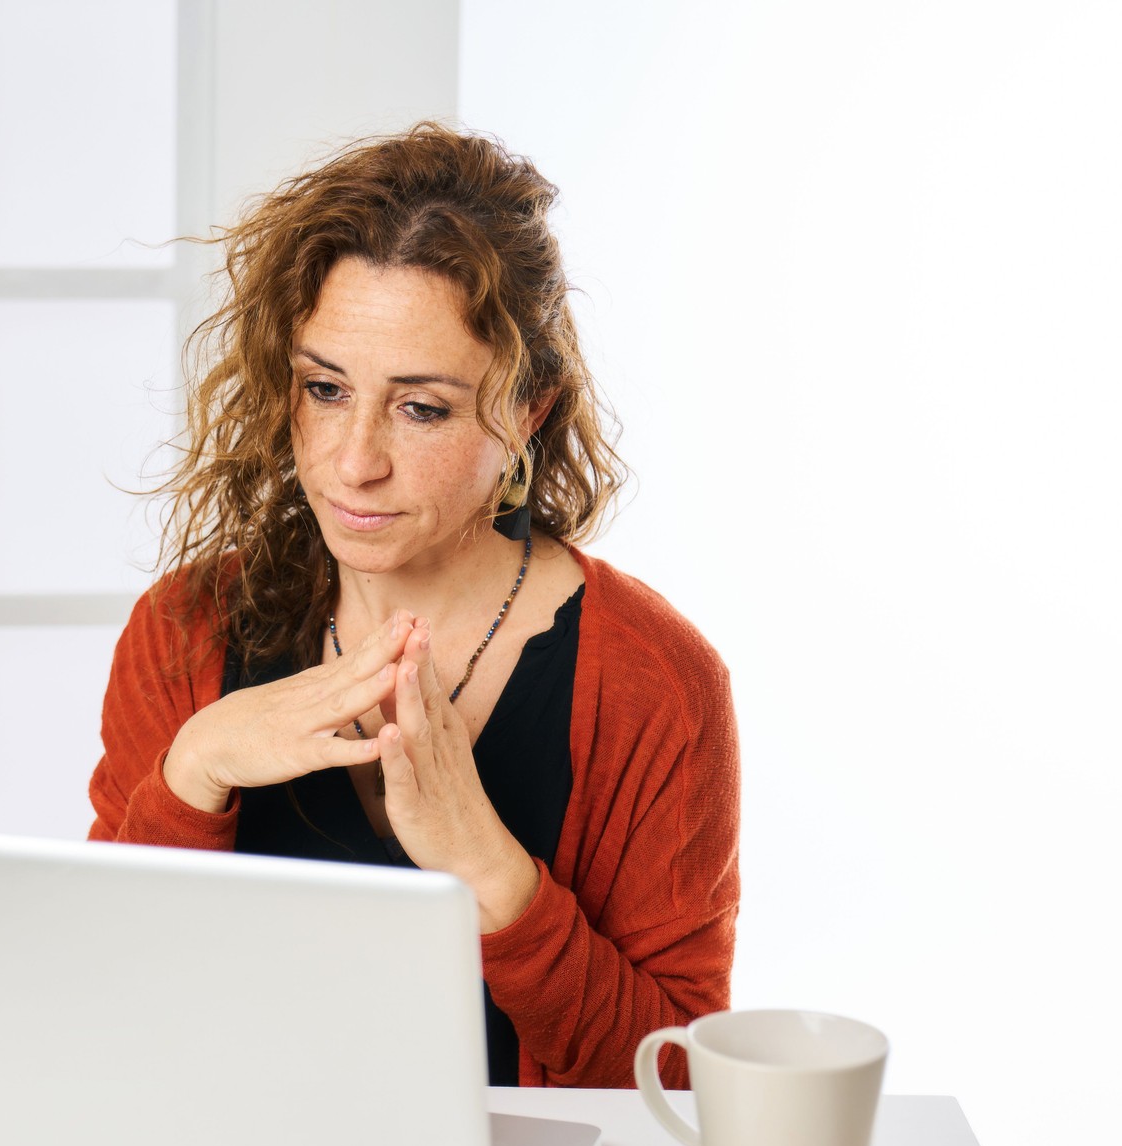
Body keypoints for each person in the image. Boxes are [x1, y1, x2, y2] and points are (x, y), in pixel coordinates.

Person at [87, 122, 738, 1091]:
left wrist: (489, 870)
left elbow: (679, 1084)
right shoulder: (185, 627)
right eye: (324, 388)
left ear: (529, 412)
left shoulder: (653, 679)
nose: (354, 462)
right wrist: (197, 767)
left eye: (420, 407)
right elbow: (105, 993)